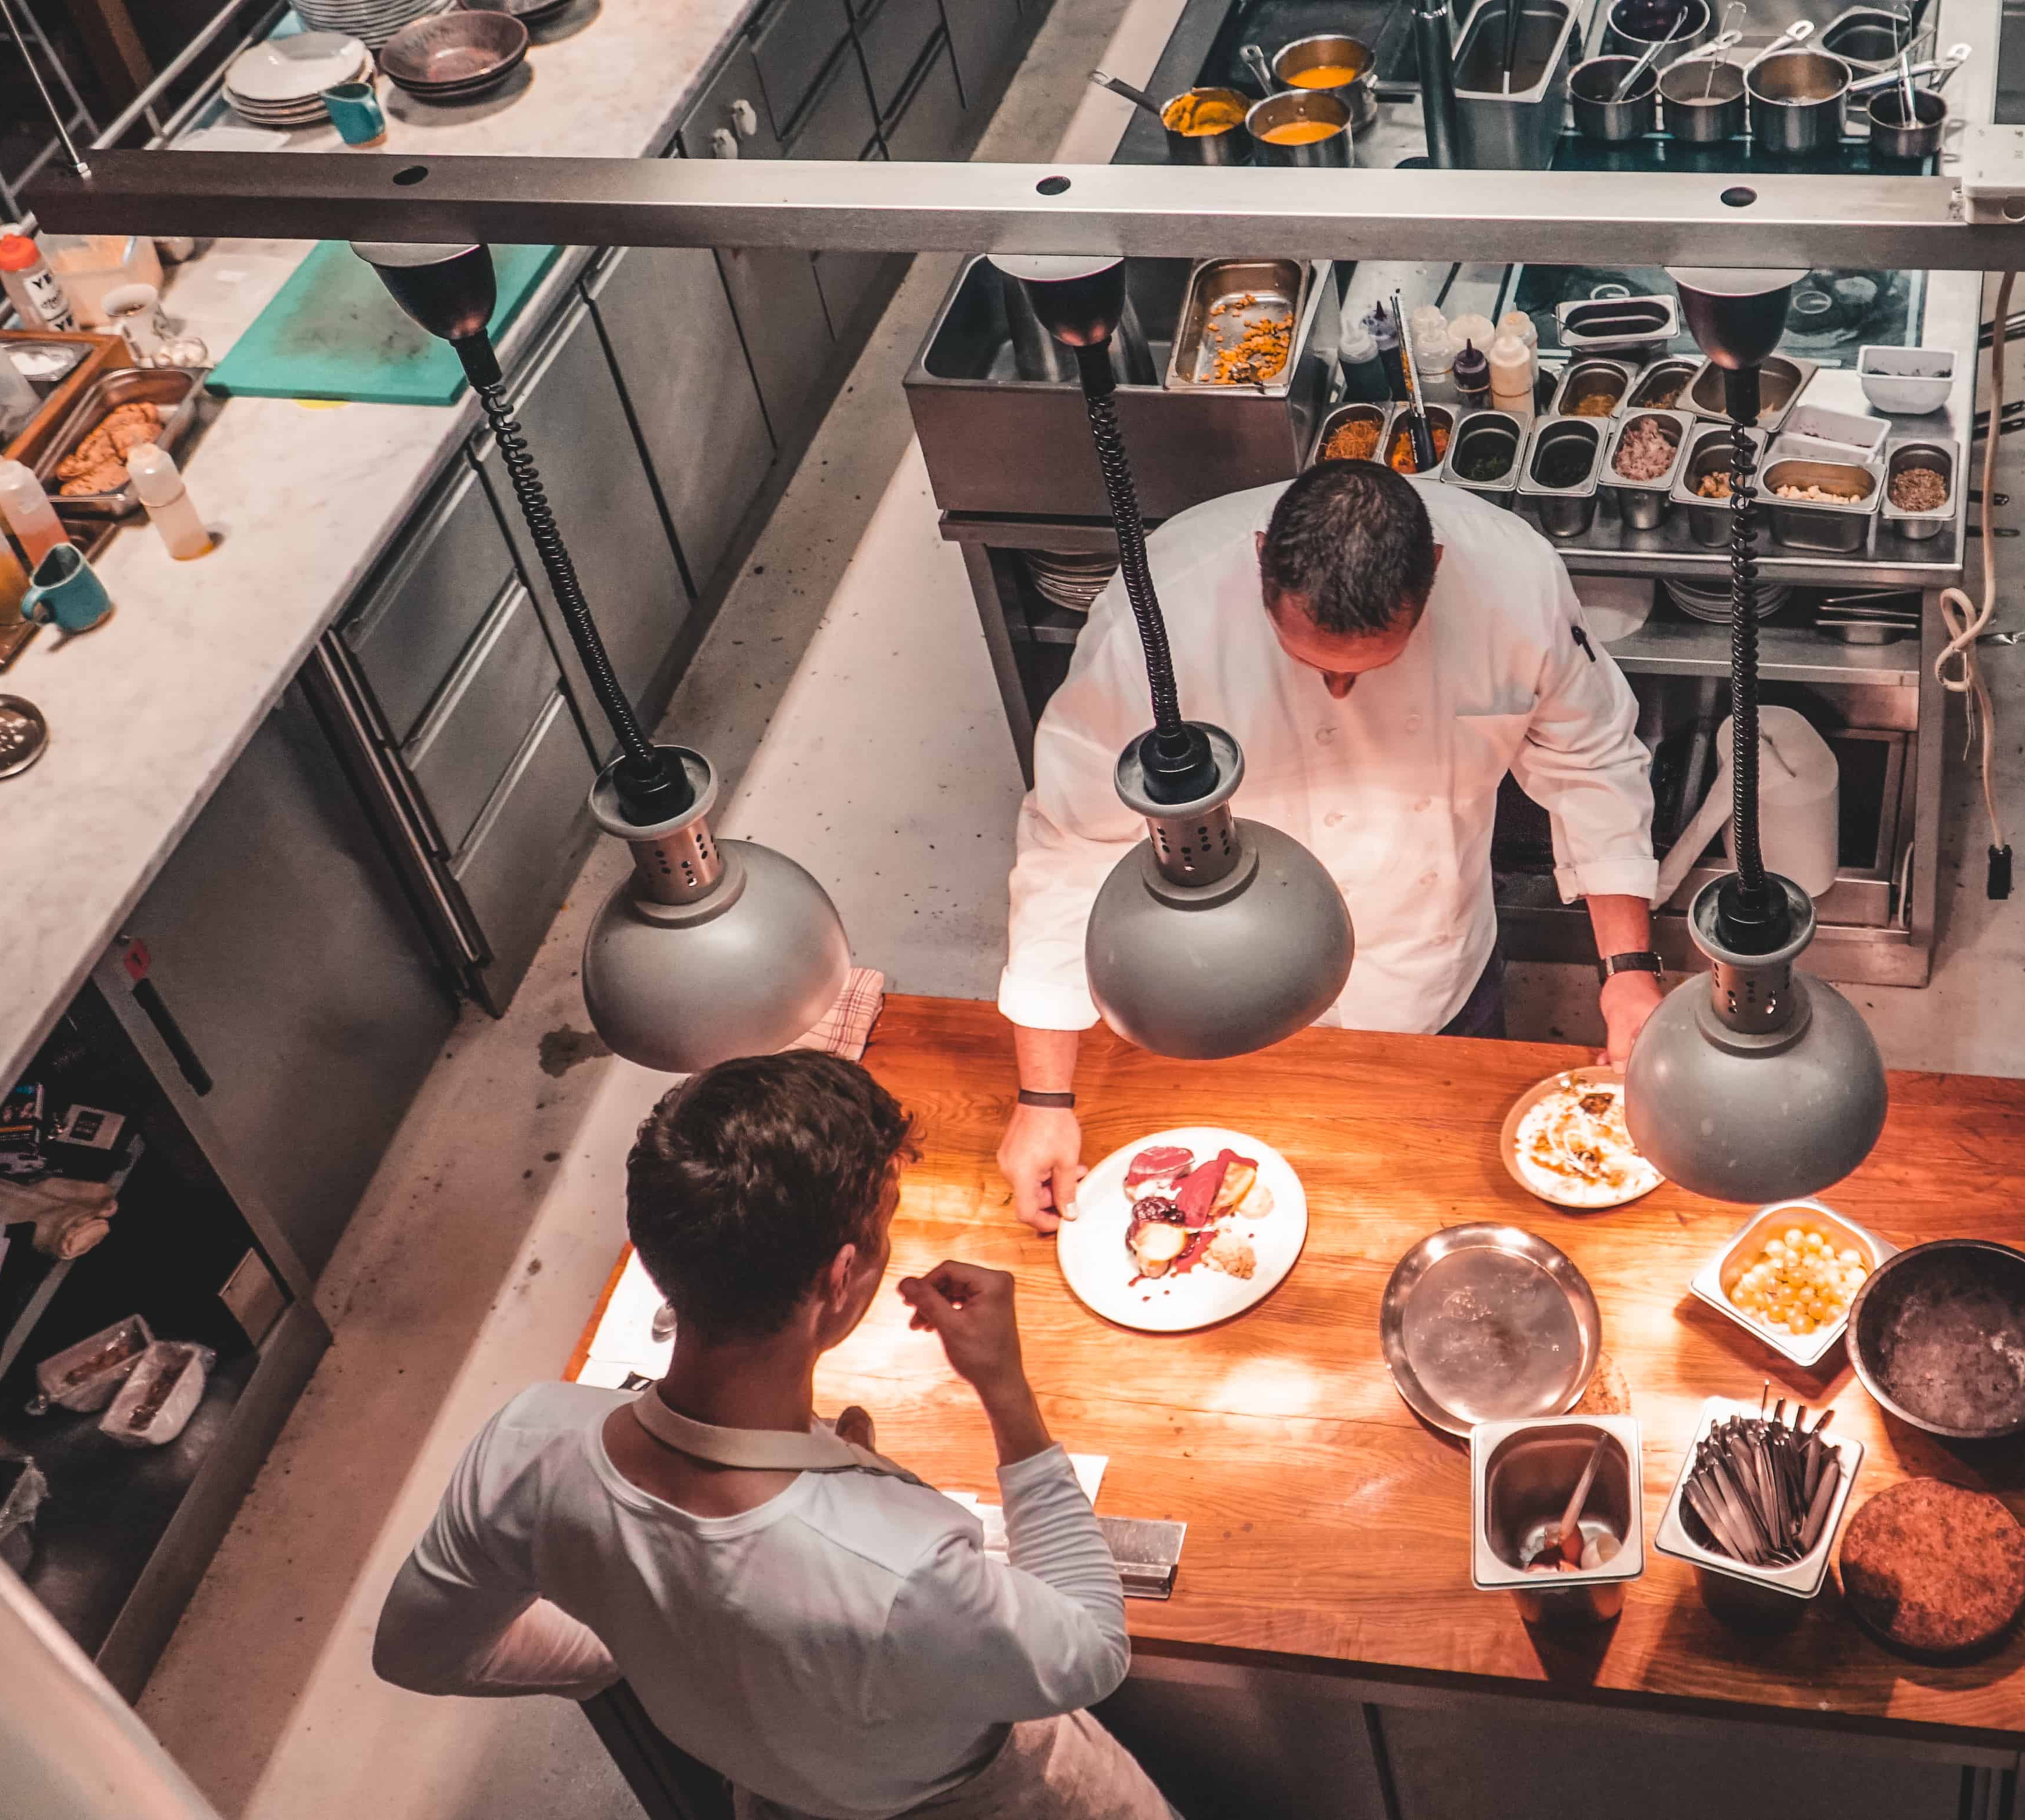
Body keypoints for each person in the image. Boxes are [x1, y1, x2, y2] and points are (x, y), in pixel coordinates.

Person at [372, 1053, 1171, 1820]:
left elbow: (419, 1651)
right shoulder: (901, 1570)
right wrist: (1008, 1395)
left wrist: (646, 1640)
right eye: (886, 1225)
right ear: (840, 1276)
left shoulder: (528, 1445)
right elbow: (1094, 1645)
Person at [996, 461, 1664, 1231]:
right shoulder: (1159, 613)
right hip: (1226, 990)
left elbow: (1590, 761)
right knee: (1247, 1214)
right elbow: (1075, 839)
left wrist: (1628, 968)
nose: (1339, 695)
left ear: (1436, 572)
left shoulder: (1514, 585)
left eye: (1372, 667)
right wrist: (1045, 1097)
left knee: (1449, 1194)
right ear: (1257, 558)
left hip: (1433, 970)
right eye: (1310, 662)